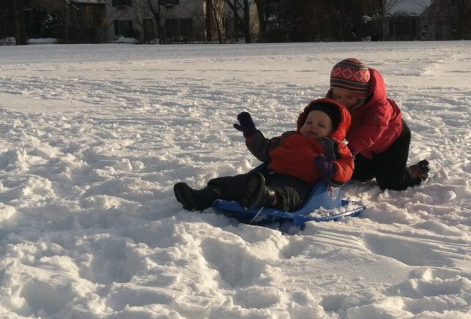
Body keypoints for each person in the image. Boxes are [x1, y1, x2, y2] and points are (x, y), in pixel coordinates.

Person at [174, 98, 354, 212]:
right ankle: (202, 197)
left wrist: (332, 169)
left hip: (303, 185)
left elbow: (347, 167)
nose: (312, 126)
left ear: (334, 131)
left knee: (289, 194)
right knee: (237, 181)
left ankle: (267, 196)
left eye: (321, 125)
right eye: (309, 121)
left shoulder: (332, 147)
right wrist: (251, 134)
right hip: (269, 176)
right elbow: (265, 149)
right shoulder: (289, 138)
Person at [325, 57, 429, 191]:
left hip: (392, 143)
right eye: (337, 96)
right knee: (357, 173)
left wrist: (349, 150)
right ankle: (376, 167)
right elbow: (328, 120)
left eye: (349, 97)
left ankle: (416, 172)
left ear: (361, 94)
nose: (342, 101)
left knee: (391, 184)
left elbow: (370, 132)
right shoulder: (337, 102)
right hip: (367, 148)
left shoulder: (380, 108)